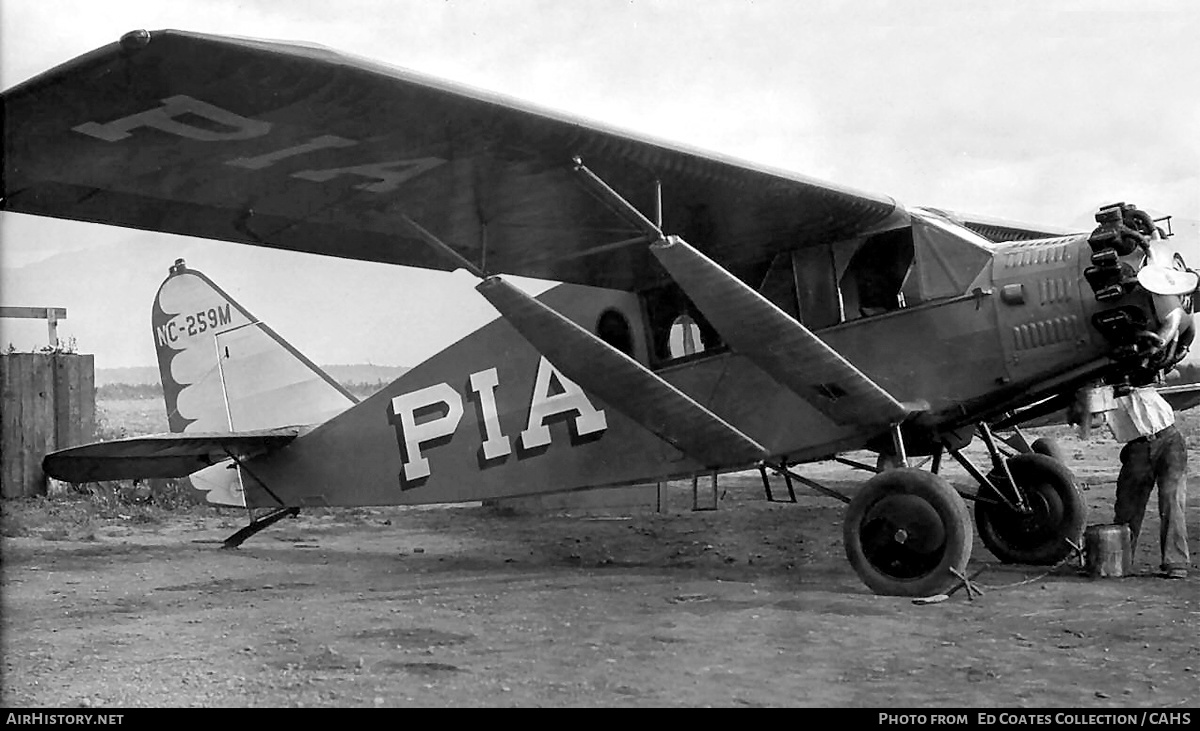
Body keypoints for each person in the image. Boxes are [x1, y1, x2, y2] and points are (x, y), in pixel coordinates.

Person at [1105, 234, 1195, 579]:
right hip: (1137, 447)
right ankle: (1116, 561)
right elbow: (1089, 422)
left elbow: (1181, 326)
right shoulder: (1096, 380)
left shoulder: (1139, 362)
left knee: (1172, 501)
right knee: (1127, 508)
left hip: (1168, 437)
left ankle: (1176, 563)